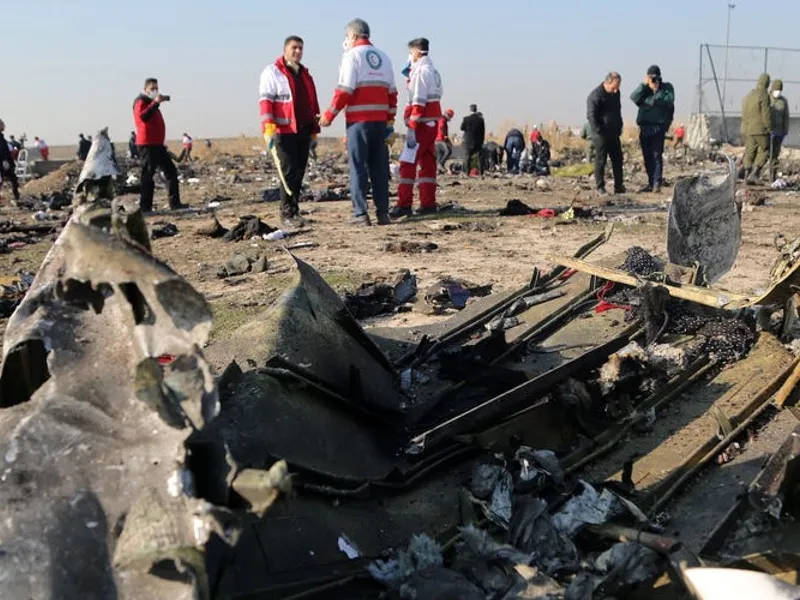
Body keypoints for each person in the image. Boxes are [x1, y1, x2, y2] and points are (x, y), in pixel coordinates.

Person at [318, 18, 397, 226]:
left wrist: (328, 115)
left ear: (352, 36)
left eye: (347, 37)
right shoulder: (384, 58)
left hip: (359, 122)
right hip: (380, 123)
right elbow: (393, 93)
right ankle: (383, 213)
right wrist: (389, 122)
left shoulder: (351, 57)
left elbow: (344, 90)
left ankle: (360, 214)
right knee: (379, 168)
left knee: (358, 167)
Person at [259, 35, 321, 227]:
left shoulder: (305, 74)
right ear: (285, 49)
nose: (298, 52)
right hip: (283, 131)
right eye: (294, 48)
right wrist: (268, 127)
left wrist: (314, 130)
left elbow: (312, 103)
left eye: (301, 48)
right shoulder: (273, 72)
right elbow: (266, 102)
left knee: (299, 172)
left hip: (302, 130)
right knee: (288, 172)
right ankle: (286, 213)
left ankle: (295, 211)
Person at [392, 37, 443, 218]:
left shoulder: (420, 72)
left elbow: (418, 102)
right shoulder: (434, 72)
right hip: (432, 124)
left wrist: (412, 126)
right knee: (428, 165)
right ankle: (428, 203)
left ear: (415, 52)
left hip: (421, 125)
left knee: (407, 163)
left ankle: (404, 204)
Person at [133, 77, 185, 212]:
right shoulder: (141, 101)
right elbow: (143, 117)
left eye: (156, 89)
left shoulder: (151, 103)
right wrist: (155, 103)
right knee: (148, 175)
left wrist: (155, 103)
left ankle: (175, 203)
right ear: (145, 90)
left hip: (157, 144)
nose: (155, 91)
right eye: (152, 89)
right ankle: (145, 207)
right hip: (147, 144)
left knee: (171, 171)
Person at [630, 65, 675, 193]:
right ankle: (650, 182)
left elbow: (669, 100)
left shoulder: (667, 88)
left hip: (658, 127)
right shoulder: (644, 89)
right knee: (647, 156)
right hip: (644, 127)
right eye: (651, 78)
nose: (654, 81)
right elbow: (634, 97)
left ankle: (656, 183)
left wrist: (654, 95)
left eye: (655, 78)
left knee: (656, 155)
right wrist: (644, 85)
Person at [587, 71, 625, 195]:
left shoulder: (616, 94)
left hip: (614, 133)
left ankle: (619, 186)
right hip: (601, 135)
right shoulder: (595, 95)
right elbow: (591, 116)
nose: (616, 90)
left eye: (618, 87)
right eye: (614, 87)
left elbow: (618, 110)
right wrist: (598, 130)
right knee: (601, 160)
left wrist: (619, 125)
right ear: (607, 83)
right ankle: (600, 187)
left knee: (618, 160)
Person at [740, 73, 772, 185]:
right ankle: (754, 174)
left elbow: (744, 113)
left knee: (750, 152)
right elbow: (766, 113)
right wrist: (770, 127)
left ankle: (746, 177)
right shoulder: (764, 94)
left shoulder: (749, 95)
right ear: (767, 83)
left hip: (749, 129)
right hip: (760, 129)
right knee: (765, 151)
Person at [769, 79, 789, 181]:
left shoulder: (783, 101)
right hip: (768, 132)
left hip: (779, 131)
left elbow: (786, 117)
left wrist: (785, 131)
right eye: (776, 89)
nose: (777, 92)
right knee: (764, 154)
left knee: (775, 155)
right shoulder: (767, 99)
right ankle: (753, 174)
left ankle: (773, 174)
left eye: (779, 90)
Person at [460, 104, 485, 175]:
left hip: (468, 141)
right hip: (478, 142)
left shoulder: (466, 119)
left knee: (467, 157)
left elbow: (461, 128)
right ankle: (481, 172)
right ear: (476, 109)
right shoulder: (481, 120)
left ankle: (467, 173)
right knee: (480, 158)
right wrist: (481, 142)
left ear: (470, 109)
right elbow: (483, 131)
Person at [0, 119, 20, 203]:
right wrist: (4, 160)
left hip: (6, 163)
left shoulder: (2, 138)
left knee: (13, 179)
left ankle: (16, 194)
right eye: (2, 124)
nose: (4, 125)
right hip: (3, 162)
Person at [435, 108, 454, 173]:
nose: (450, 118)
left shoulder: (441, 119)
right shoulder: (442, 119)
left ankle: (438, 170)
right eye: (449, 116)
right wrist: (445, 136)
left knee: (440, 154)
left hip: (437, 140)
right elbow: (442, 127)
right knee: (448, 151)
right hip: (440, 139)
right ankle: (440, 165)